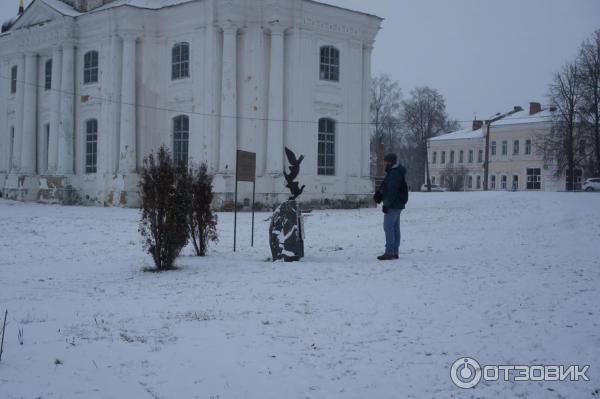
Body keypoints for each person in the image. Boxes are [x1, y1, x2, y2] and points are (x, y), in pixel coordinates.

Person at [373, 153, 408, 260]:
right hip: (398, 204)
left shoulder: (394, 173)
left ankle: (389, 252)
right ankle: (394, 251)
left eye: (385, 161)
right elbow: (387, 186)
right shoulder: (395, 172)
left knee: (388, 228)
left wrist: (386, 204)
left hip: (393, 204)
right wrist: (380, 193)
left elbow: (391, 191)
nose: (384, 163)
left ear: (390, 162)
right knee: (395, 228)